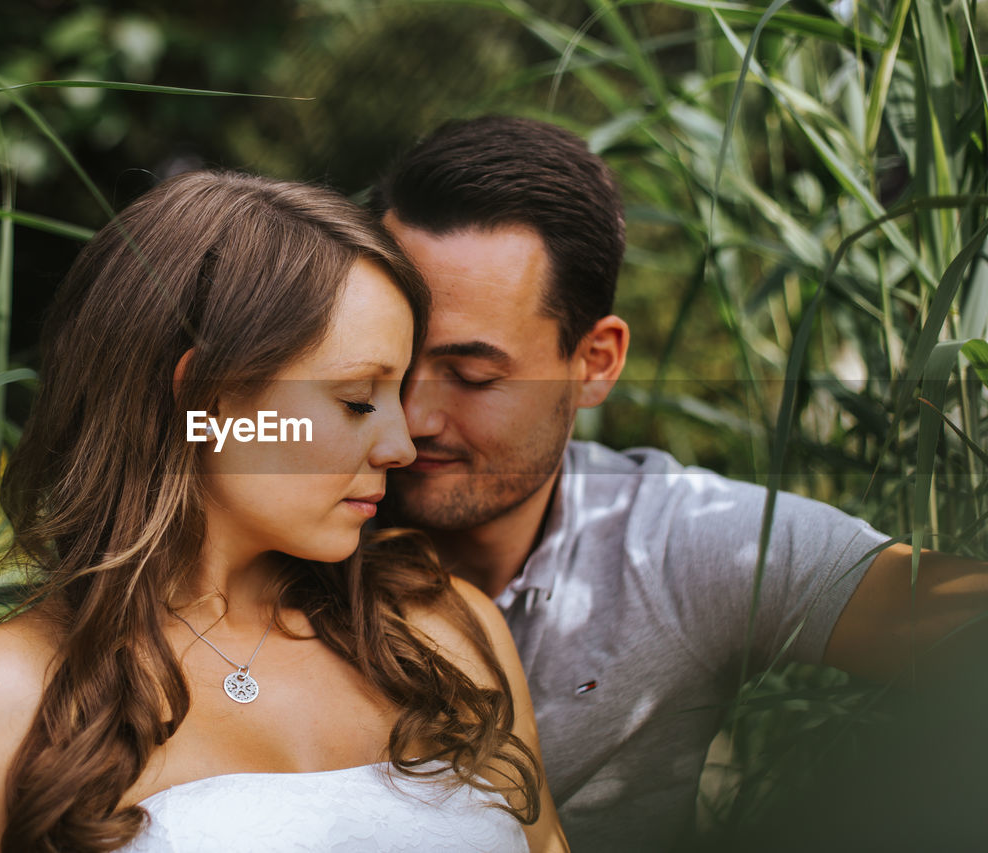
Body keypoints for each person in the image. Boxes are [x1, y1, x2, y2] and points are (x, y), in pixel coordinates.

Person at [0, 171, 567, 853]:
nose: (401, 444)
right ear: (205, 401)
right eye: (356, 398)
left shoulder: (444, 633)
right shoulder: (2, 696)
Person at [371, 114, 988, 851]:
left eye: (473, 375)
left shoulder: (683, 544)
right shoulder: (288, 518)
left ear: (596, 361)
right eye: (390, 363)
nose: (410, 417)